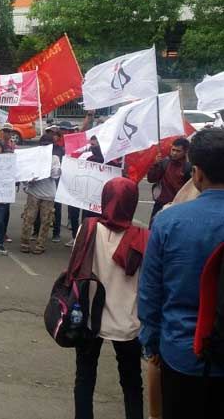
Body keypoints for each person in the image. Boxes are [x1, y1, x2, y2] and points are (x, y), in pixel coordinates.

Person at [139, 129, 224, 418]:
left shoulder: (168, 222)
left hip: (181, 353)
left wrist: (152, 345)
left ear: (196, 173)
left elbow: (150, 293)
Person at [73, 177, 148, 419]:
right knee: (131, 381)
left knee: (85, 375)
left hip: (89, 317)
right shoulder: (142, 237)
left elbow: (75, 268)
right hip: (128, 319)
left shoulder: (88, 228)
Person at [20, 134, 61, 255]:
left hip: (48, 194)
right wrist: (28, 179)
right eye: (43, 144)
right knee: (28, 218)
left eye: (47, 145)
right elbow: (24, 174)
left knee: (46, 220)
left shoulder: (55, 158)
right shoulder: (32, 157)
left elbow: (56, 175)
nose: (45, 147)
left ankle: (40, 244)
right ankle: (25, 242)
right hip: (34, 192)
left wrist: (47, 167)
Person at [146, 137, 191, 226]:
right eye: (173, 150)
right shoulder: (164, 162)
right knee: (153, 229)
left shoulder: (188, 167)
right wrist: (156, 164)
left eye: (178, 151)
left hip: (179, 205)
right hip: (161, 204)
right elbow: (151, 179)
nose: (174, 153)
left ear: (185, 152)